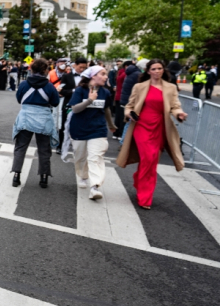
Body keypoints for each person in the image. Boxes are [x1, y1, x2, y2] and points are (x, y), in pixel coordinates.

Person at [117, 59, 187, 210]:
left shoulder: (170, 88)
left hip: (160, 127)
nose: (157, 71)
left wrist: (179, 114)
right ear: (148, 71)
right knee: (148, 157)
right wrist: (129, 114)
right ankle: (144, 197)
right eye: (153, 69)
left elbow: (175, 106)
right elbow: (129, 106)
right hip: (141, 125)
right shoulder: (139, 86)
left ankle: (140, 182)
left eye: (159, 68)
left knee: (151, 161)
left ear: (163, 70)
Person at [68, 66, 117, 200]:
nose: (106, 77)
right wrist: (90, 100)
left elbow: (106, 109)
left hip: (98, 129)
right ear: (93, 76)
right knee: (80, 157)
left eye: (106, 74)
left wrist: (111, 125)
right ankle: (83, 176)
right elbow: (75, 109)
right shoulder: (80, 90)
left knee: (95, 157)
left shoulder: (105, 93)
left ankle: (95, 186)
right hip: (79, 129)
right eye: (103, 74)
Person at [12, 59, 60, 188]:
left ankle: (16, 175)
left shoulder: (24, 84)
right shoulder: (50, 86)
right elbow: (55, 102)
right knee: (44, 150)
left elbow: (19, 99)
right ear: (45, 70)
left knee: (20, 147)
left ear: (31, 69)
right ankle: (43, 177)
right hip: (43, 119)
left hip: (26, 118)